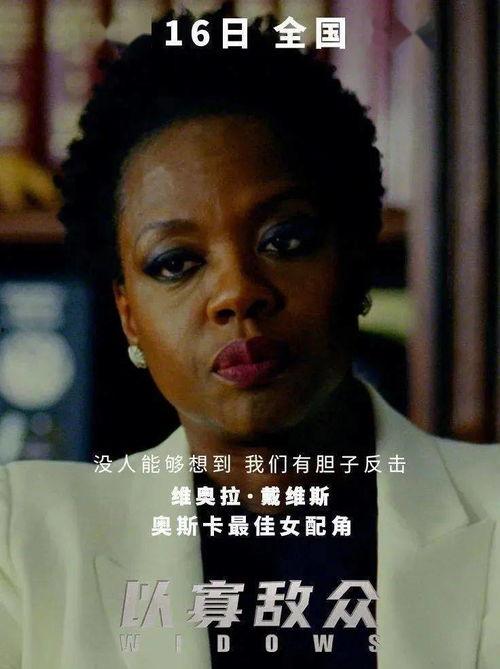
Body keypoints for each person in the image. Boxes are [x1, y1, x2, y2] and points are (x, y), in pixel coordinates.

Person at [0, 8, 498, 669]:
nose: (237, 292)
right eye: (175, 262)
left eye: (284, 240)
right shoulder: (22, 537)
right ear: (129, 315)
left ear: (353, 262)